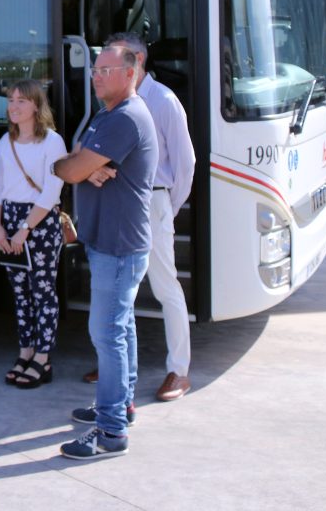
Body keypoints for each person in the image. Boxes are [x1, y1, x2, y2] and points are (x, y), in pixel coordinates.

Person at [54, 44, 157, 460]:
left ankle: (111, 431)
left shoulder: (126, 118)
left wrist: (78, 166)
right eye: (94, 70)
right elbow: (72, 164)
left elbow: (68, 167)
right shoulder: (106, 114)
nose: (95, 76)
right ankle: (122, 406)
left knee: (107, 333)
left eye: (104, 70)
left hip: (118, 246)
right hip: (109, 242)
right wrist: (80, 166)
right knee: (122, 327)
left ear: (130, 73)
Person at [83, 33, 196, 402]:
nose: (100, 73)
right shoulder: (112, 104)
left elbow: (185, 163)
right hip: (122, 204)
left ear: (136, 63)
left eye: (110, 65)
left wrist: (167, 207)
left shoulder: (162, 100)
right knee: (121, 293)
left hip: (152, 203)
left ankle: (179, 371)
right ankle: (116, 366)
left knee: (165, 288)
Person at [0, 79, 68, 388]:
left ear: (37, 105)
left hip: (40, 221)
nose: (14, 106)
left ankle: (43, 358)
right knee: (20, 293)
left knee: (43, 291)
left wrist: (24, 229)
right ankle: (26, 351)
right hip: (9, 219)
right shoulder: (4, 143)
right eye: (11, 100)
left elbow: (52, 191)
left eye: (21, 101)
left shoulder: (52, 142)